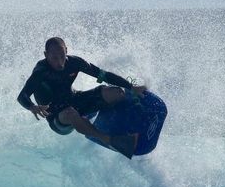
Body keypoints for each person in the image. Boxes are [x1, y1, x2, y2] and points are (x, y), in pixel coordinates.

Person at [17, 37, 147, 158]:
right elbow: (22, 96)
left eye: (62, 56)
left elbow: (102, 74)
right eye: (54, 58)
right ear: (46, 55)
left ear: (66, 51)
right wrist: (32, 106)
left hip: (75, 100)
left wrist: (130, 87)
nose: (59, 62)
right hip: (57, 116)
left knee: (116, 92)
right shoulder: (40, 72)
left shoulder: (74, 62)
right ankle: (112, 140)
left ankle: (115, 119)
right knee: (71, 113)